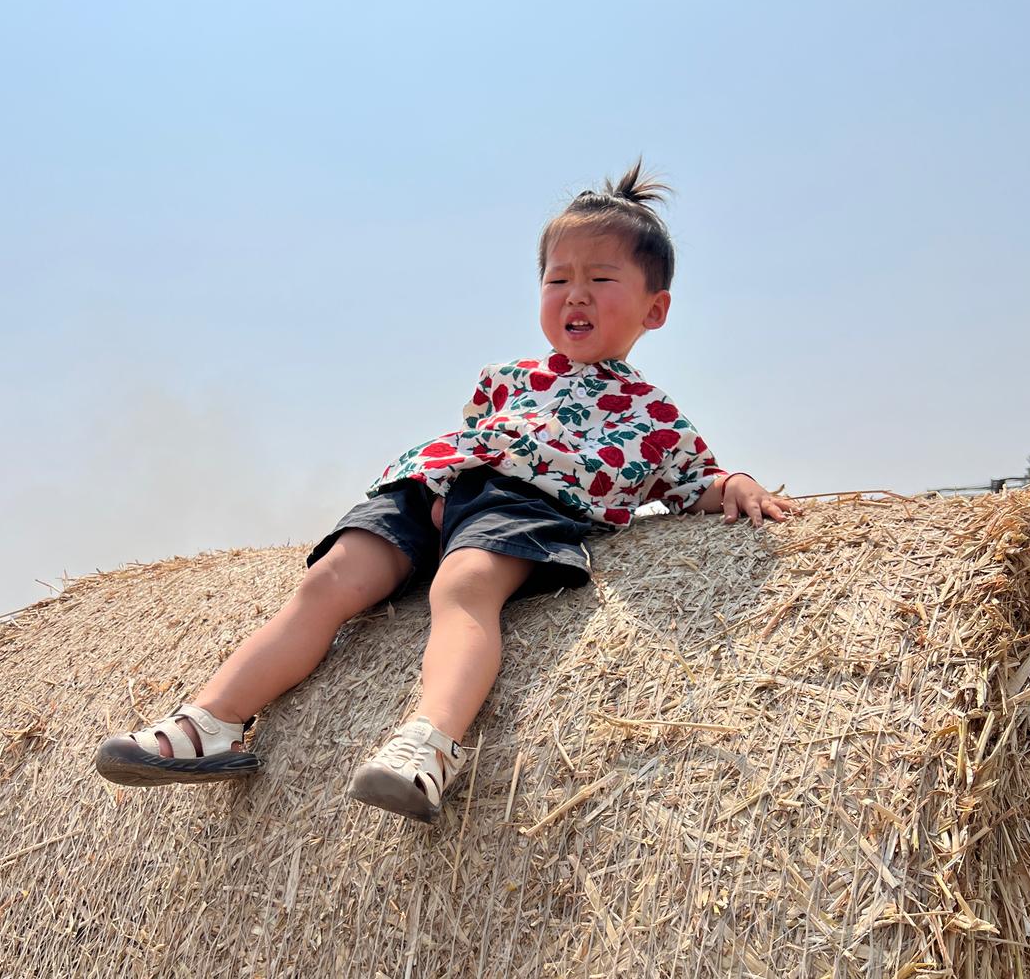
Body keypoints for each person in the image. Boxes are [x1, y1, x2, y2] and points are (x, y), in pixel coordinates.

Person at [95, 160, 795, 822]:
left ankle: (431, 742)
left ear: (656, 309)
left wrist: (736, 483)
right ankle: (212, 722)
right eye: (557, 279)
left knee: (463, 589)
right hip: (426, 487)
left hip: (524, 508)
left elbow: (696, 482)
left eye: (601, 278)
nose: (575, 293)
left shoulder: (656, 414)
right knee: (330, 580)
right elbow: (471, 437)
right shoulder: (506, 377)